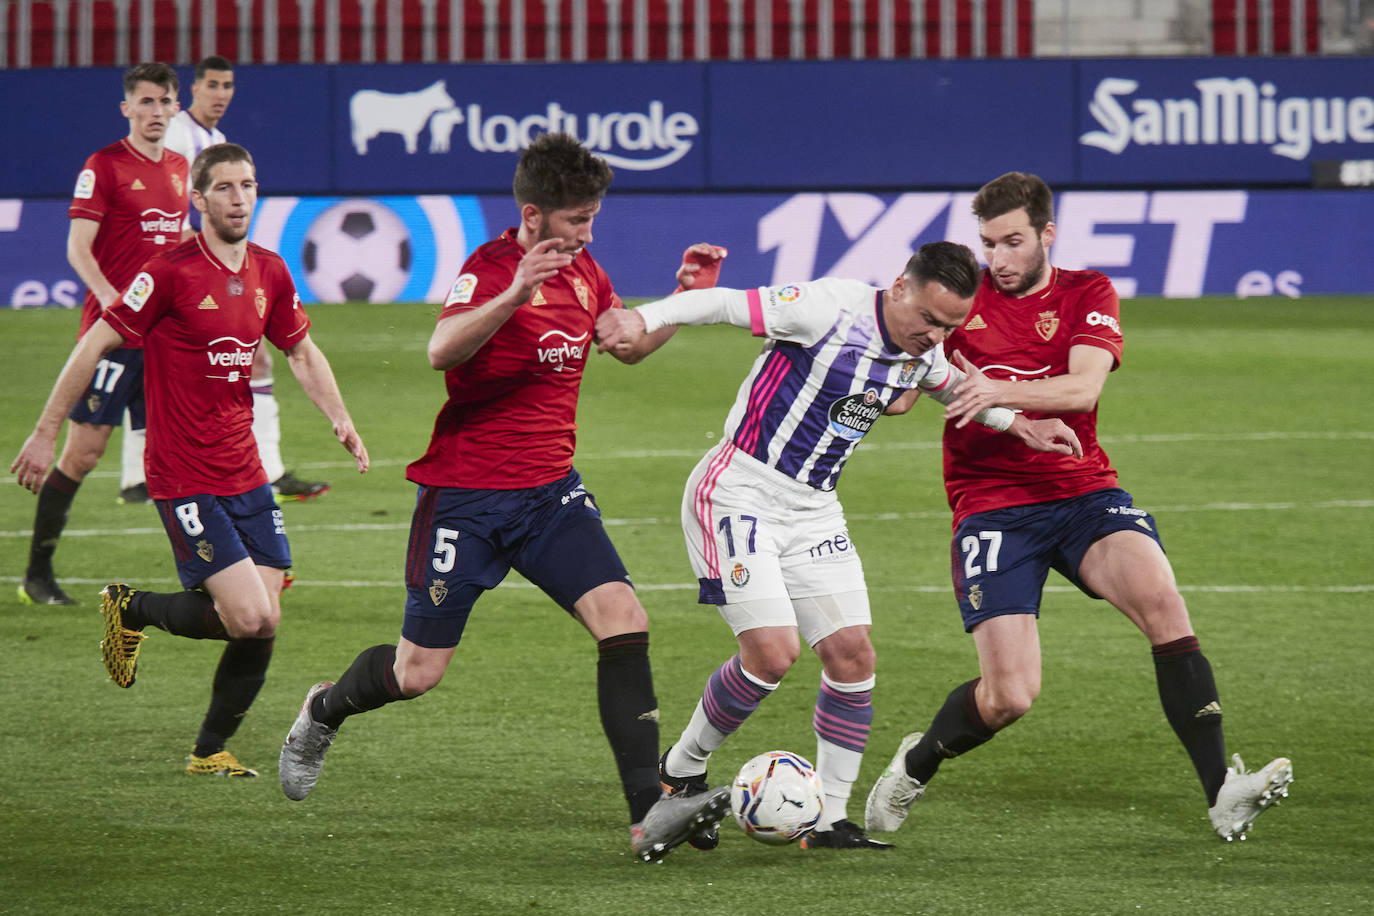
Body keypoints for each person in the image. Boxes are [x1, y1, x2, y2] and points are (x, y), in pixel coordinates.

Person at [276, 132, 731, 863]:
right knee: (415, 673)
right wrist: (516, 290)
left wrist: (684, 297)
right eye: (577, 219)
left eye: (592, 218)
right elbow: (441, 349)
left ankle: (648, 811)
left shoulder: (587, 274)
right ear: (532, 214)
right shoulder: (486, 269)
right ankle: (324, 709)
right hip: (466, 499)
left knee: (624, 618)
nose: (588, 233)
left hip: (549, 496)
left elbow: (628, 344)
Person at [594, 242, 1082, 851]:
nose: (935, 335)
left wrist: (1021, 425)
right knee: (772, 655)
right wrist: (649, 316)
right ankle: (682, 770)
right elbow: (721, 304)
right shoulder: (827, 307)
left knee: (853, 657)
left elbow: (951, 385)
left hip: (814, 508)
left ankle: (828, 820)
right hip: (740, 491)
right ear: (901, 286)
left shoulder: (918, 351)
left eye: (950, 326)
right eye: (928, 319)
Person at [863, 172, 1293, 843]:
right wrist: (882, 374)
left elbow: (1084, 388)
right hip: (993, 505)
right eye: (988, 244)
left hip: (1082, 490)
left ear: (1045, 235)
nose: (997, 259)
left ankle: (1222, 793)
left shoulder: (1086, 292)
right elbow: (901, 394)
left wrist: (996, 391)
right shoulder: (962, 301)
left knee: (1163, 603)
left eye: (1011, 242)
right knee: (1009, 696)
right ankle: (916, 763)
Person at [10, 142, 369, 777]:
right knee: (249, 614)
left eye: (248, 185)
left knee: (265, 621)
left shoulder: (269, 270)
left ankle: (209, 752)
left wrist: (338, 416)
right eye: (225, 187)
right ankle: (132, 608)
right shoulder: (168, 272)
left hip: (245, 471)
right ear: (197, 199)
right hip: (182, 475)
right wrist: (44, 432)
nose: (239, 198)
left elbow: (303, 353)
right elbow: (95, 341)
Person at [119, 54, 330, 506]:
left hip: (202, 264)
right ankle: (146, 474)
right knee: (159, 363)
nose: (221, 94)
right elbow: (167, 199)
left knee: (246, 360)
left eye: (228, 85)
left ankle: (260, 467)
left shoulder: (216, 140)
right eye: (213, 85)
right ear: (194, 91)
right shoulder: (176, 132)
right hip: (181, 269)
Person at [16, 62, 190, 606]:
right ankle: (36, 574)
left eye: (164, 102)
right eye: (145, 102)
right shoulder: (106, 166)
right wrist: (114, 300)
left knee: (176, 456)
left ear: (176, 107)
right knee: (85, 453)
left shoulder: (184, 167)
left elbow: (178, 239)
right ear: (127, 108)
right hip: (113, 337)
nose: (156, 112)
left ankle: (208, 569)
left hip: (163, 340)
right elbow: (77, 248)